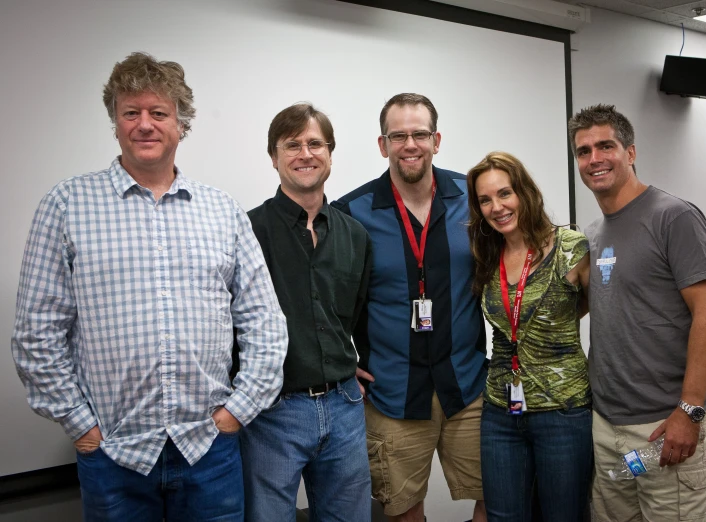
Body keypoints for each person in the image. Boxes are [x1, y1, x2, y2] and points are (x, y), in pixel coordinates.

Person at [11, 52, 288, 522]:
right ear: (115, 122)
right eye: (130, 112)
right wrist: (82, 427)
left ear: (181, 124)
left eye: (158, 113)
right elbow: (36, 333)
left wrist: (236, 413)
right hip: (113, 457)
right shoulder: (67, 205)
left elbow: (264, 322)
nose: (145, 124)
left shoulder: (222, 211)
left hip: (209, 452)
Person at [333, 93, 487, 522]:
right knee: (403, 512)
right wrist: (340, 364)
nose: (410, 144)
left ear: (436, 140)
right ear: (383, 145)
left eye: (419, 134)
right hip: (391, 395)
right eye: (397, 135)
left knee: (498, 499)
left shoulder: (473, 199)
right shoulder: (349, 213)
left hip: (469, 388)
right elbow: (323, 302)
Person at [568, 104, 706, 522]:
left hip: (664, 427)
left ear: (631, 152)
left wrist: (689, 412)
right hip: (609, 428)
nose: (594, 158)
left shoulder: (674, 217)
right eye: (583, 151)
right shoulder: (593, 233)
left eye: (606, 146)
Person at [240, 103, 373, 521]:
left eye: (315, 143)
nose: (305, 153)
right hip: (272, 411)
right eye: (292, 144)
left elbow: (352, 316)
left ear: (330, 153)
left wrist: (342, 361)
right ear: (274, 156)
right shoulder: (247, 231)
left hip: (344, 407)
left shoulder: (355, 234)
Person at [466, 151, 592, 521]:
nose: (497, 207)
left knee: (563, 516)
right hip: (501, 410)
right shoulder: (486, 254)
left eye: (504, 194)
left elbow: (592, 308)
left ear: (524, 192)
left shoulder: (570, 247)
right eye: (485, 200)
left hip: (562, 410)